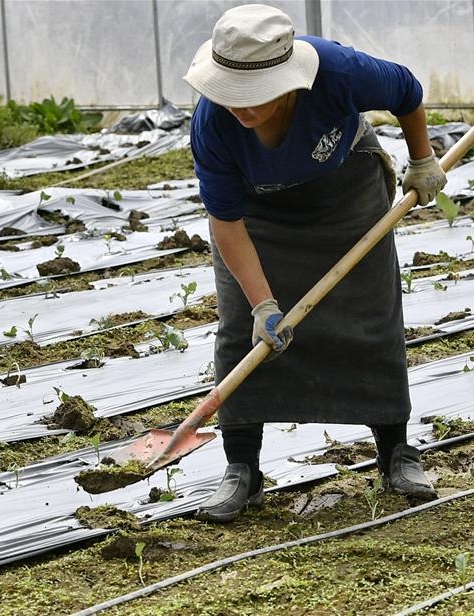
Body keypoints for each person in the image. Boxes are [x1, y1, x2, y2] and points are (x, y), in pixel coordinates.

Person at [183, 3, 447, 523]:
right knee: (241, 327)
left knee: (371, 316)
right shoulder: (213, 122)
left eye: (252, 97)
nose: (239, 106)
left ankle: (396, 452)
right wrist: (262, 303)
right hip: (257, 214)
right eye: (229, 93)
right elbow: (226, 222)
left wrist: (421, 160)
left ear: (288, 83)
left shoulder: (337, 73)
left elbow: (406, 92)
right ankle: (242, 470)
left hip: (344, 192)